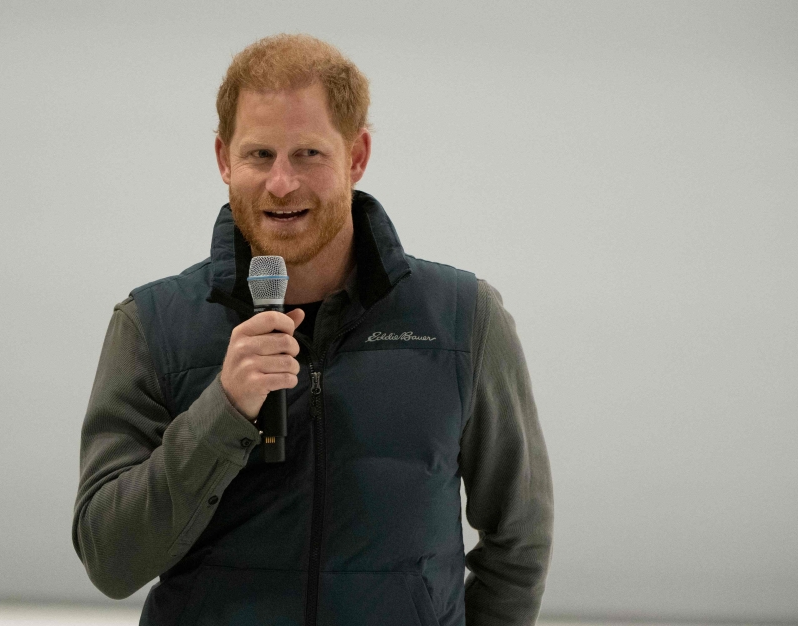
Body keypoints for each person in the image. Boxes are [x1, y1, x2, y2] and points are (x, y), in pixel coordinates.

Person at [73, 33, 553, 626]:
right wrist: (221, 412)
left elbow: (520, 539)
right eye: (258, 155)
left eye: (308, 154)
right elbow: (109, 559)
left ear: (356, 156)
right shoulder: (152, 327)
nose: (281, 184)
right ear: (224, 158)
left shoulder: (463, 319)